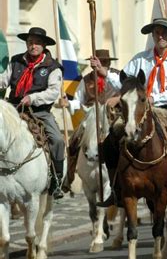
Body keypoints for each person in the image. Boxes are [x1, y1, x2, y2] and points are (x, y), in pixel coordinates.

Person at [98, 18, 167, 207]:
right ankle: (114, 186)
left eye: (164, 33)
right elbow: (124, 81)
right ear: (152, 35)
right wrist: (106, 74)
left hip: (166, 110)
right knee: (110, 139)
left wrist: (155, 98)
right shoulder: (140, 58)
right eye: (157, 32)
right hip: (137, 110)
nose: (160, 36)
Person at [0, 27, 65, 199]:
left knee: (58, 141)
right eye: (30, 42)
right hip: (13, 109)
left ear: (43, 45)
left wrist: (32, 98)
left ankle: (57, 182)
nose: (33, 45)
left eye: (36, 43)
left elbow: (52, 92)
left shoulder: (53, 67)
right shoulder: (16, 62)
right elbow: (4, 81)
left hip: (39, 112)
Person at [60, 49, 120, 193]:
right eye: (96, 62)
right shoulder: (86, 80)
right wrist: (68, 104)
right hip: (90, 117)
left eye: (103, 62)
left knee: (125, 139)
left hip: (113, 117)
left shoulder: (117, 75)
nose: (99, 64)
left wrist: (117, 99)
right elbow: (78, 100)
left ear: (108, 62)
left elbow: (125, 90)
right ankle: (69, 176)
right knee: (75, 140)